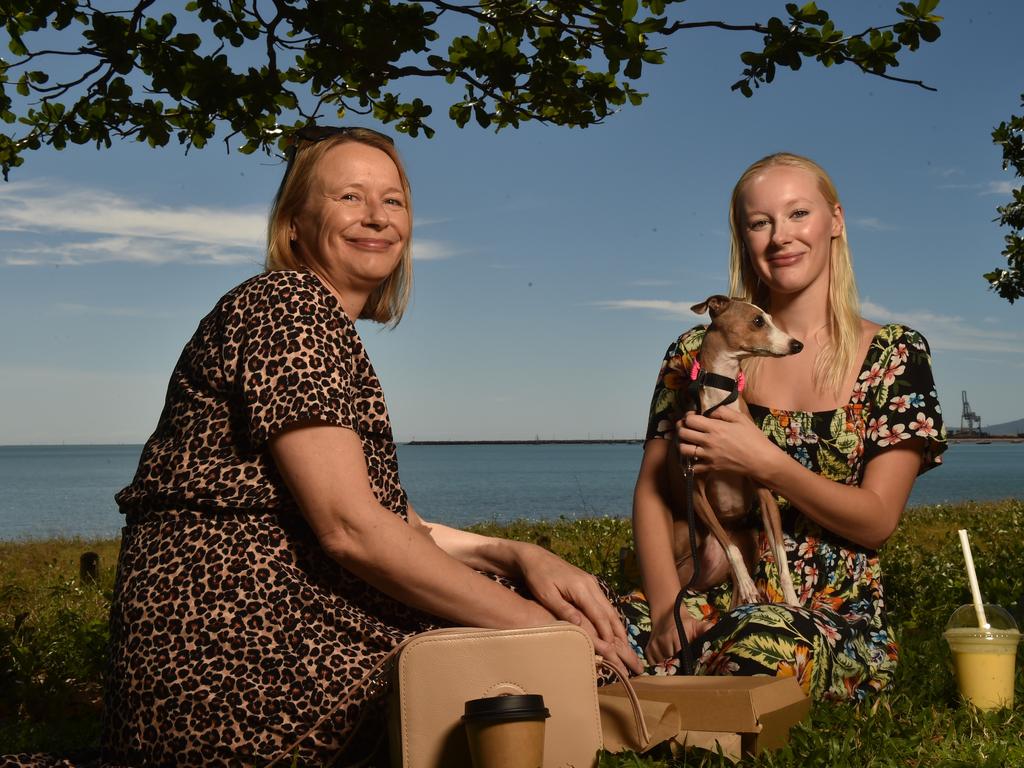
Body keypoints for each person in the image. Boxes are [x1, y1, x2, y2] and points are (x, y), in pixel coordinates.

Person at [101, 126, 641, 767]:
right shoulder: (289, 305)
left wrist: (516, 555)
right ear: (295, 223)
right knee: (564, 657)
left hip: (259, 633)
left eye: (393, 200)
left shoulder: (323, 325)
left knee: (588, 614)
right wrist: (543, 632)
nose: (376, 217)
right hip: (237, 657)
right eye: (349, 197)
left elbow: (394, 524)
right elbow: (352, 530)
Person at [623, 152, 946, 701]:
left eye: (798, 214)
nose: (780, 237)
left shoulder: (895, 355)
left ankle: (688, 694)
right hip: (704, 589)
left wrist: (764, 461)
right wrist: (663, 616)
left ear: (835, 222)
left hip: (822, 611)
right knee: (580, 630)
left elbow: (875, 522)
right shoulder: (691, 355)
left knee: (756, 644)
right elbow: (654, 495)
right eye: (759, 222)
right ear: (743, 237)